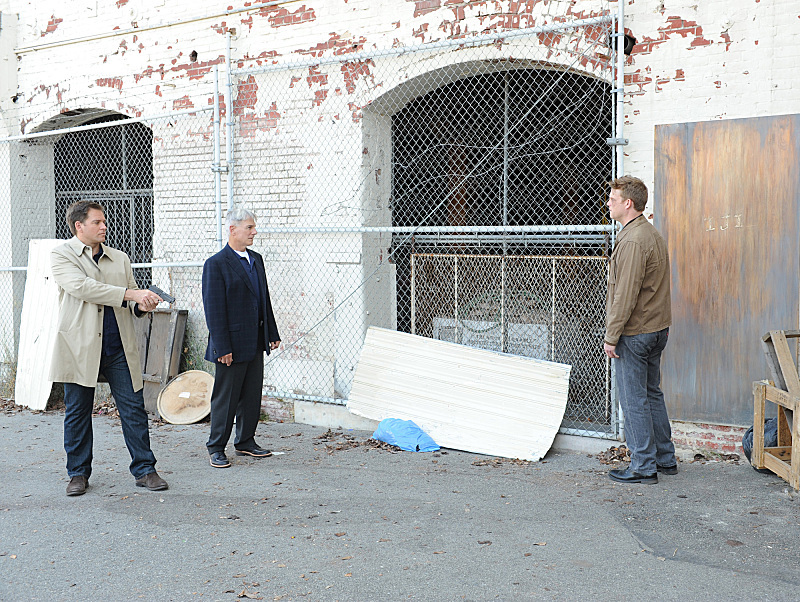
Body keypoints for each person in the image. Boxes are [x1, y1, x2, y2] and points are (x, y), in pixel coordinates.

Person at [50, 200, 169, 496]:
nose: (105, 227)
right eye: (98, 222)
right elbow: (82, 288)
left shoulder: (120, 258)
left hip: (117, 347)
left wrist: (142, 304)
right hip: (80, 347)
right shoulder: (62, 255)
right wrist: (130, 293)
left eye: (104, 222)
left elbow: (130, 304)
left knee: (133, 410)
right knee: (77, 412)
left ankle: (145, 470)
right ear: (79, 226)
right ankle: (78, 474)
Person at [603, 176, 677, 484]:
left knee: (633, 398)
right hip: (656, 328)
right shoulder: (649, 233)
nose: (608, 203)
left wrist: (611, 336)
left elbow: (626, 294)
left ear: (628, 204)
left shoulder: (633, 240)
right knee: (651, 393)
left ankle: (643, 466)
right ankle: (665, 459)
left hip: (637, 332)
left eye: (613, 199)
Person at [202, 208, 281, 469]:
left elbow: (264, 299)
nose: (254, 232)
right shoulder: (216, 264)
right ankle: (216, 447)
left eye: (253, 227)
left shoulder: (256, 260)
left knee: (251, 394)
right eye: (249, 227)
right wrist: (222, 346)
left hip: (254, 341)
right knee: (226, 397)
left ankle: (245, 441)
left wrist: (271, 332)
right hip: (230, 345)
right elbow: (213, 309)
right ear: (232, 230)